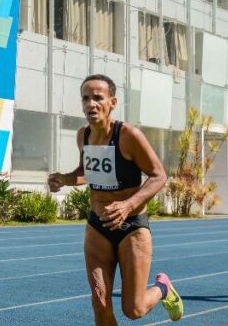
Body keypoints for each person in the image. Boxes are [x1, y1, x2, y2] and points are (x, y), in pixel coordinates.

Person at [48, 74, 183, 325]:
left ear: (112, 102)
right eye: (86, 99)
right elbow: (85, 173)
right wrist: (64, 179)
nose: (91, 104)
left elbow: (159, 175)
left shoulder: (128, 135)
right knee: (99, 301)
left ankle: (163, 289)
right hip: (97, 226)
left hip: (131, 227)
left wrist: (128, 205)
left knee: (134, 309)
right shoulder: (83, 135)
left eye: (98, 98)